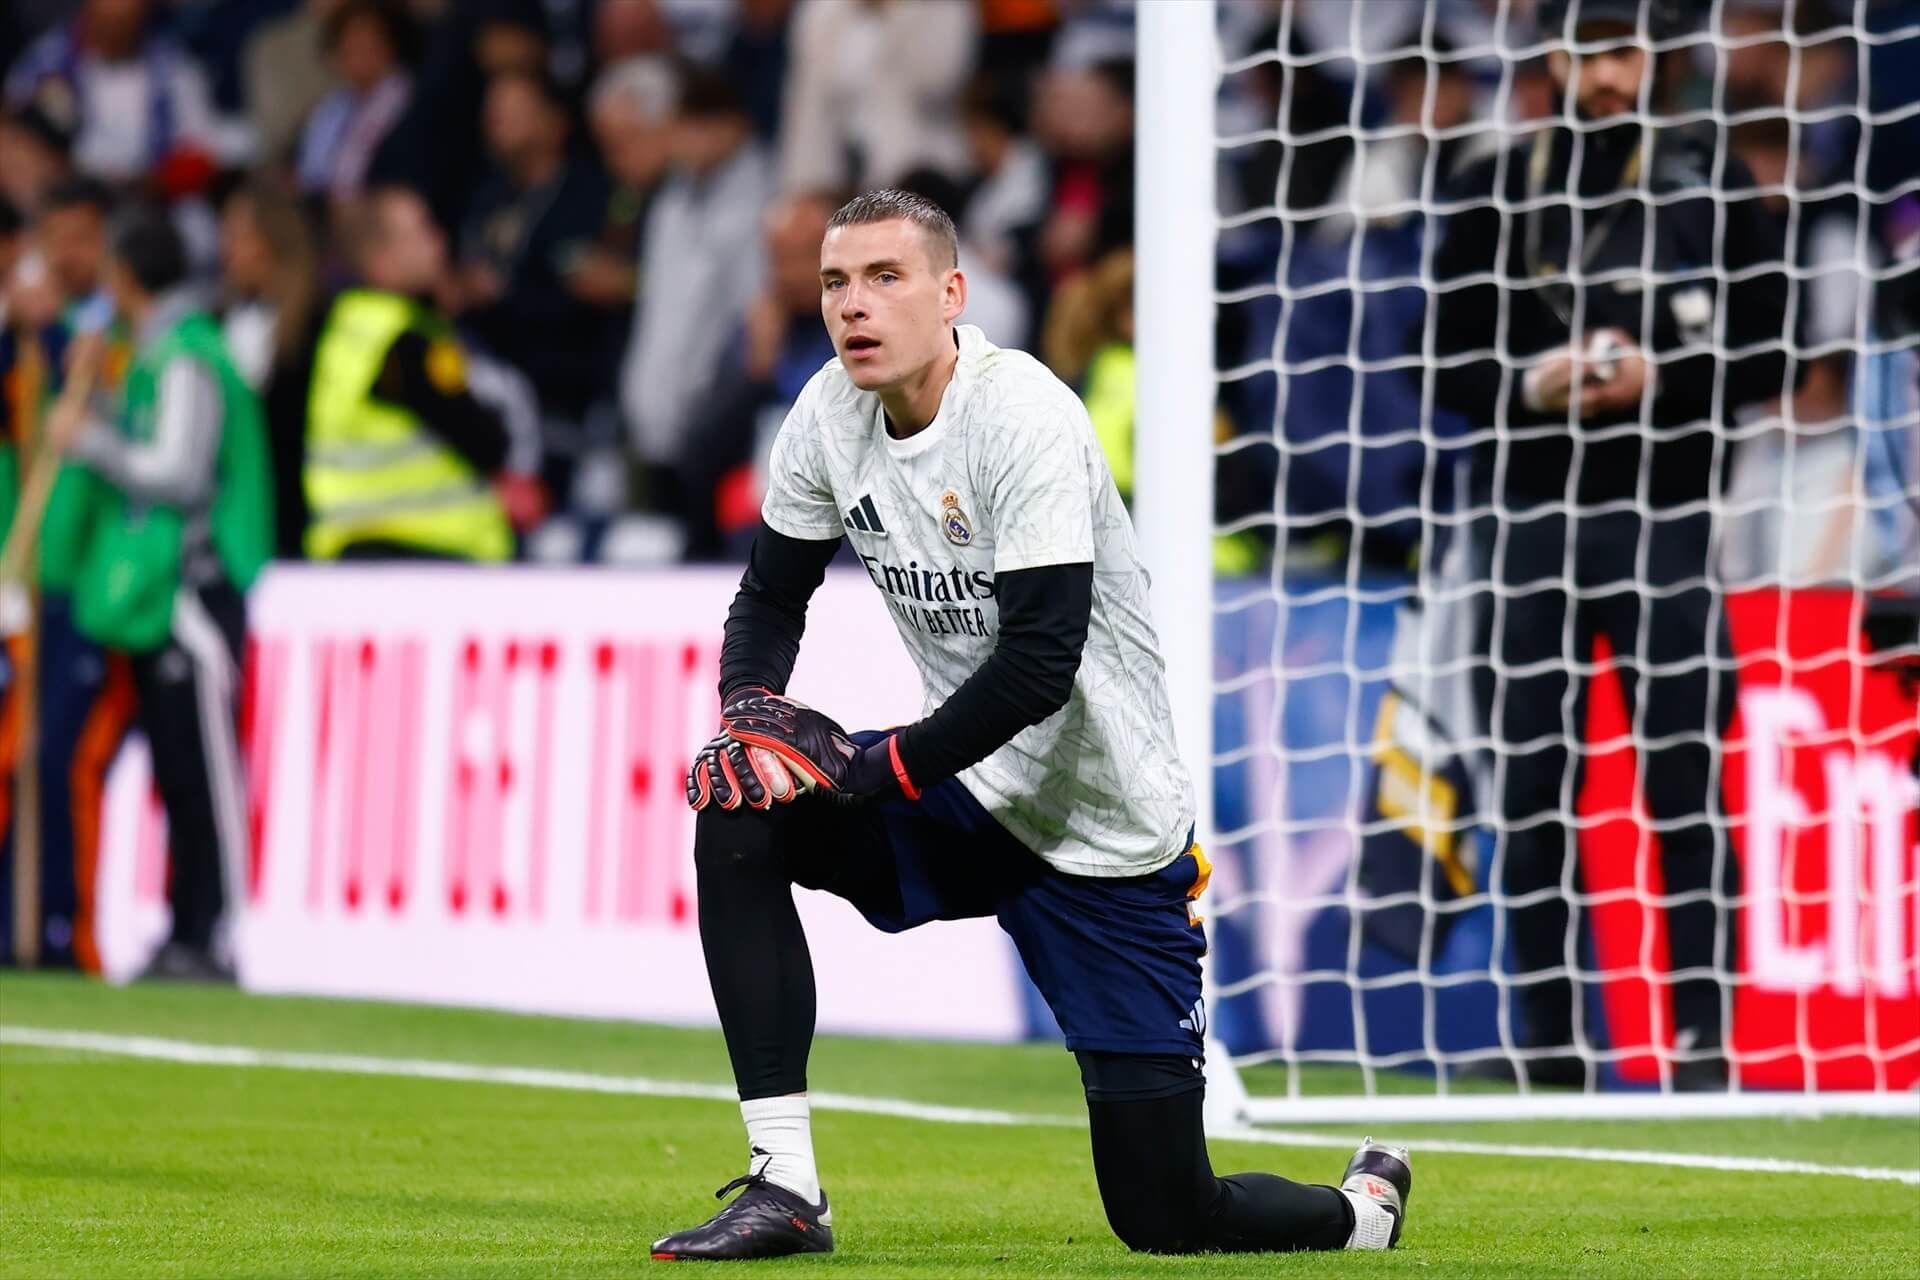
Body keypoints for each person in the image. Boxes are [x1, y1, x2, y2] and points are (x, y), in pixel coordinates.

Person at [650, 190, 1413, 1262]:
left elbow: (1040, 665)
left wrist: (868, 768)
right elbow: (771, 597)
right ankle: (785, 1184)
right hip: (969, 790)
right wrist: (749, 713)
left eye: (885, 277)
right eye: (835, 282)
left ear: (952, 295)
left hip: (1104, 828)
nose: (853, 305)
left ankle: (1360, 1213)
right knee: (740, 808)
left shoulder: (1023, 416)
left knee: (1166, 1216)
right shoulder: (826, 413)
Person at [1425, 0, 1791, 1089]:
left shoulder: (1711, 185)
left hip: (1665, 517)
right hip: (1526, 517)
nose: (1608, 75)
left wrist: (1662, 377)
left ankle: (1704, 1043)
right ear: (1555, 55)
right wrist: (1531, 385)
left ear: (1654, 58)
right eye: (1590, 52)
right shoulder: (1494, 187)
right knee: (1531, 788)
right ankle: (1550, 1043)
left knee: (1685, 781)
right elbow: (1434, 362)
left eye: (1625, 52)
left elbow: (1773, 353)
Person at [53, 209, 272, 981]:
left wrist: (90, 442)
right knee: (176, 770)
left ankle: (218, 934)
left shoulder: (186, 356)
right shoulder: (151, 354)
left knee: (204, 771)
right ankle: (185, 930)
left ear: (124, 275)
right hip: (159, 591)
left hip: (192, 588)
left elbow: (178, 473)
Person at [306, 185, 526, 562]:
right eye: (422, 231)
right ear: (381, 259)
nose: (437, 244)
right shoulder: (405, 341)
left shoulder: (350, 326)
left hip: (358, 547)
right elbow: (486, 440)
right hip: (419, 552)